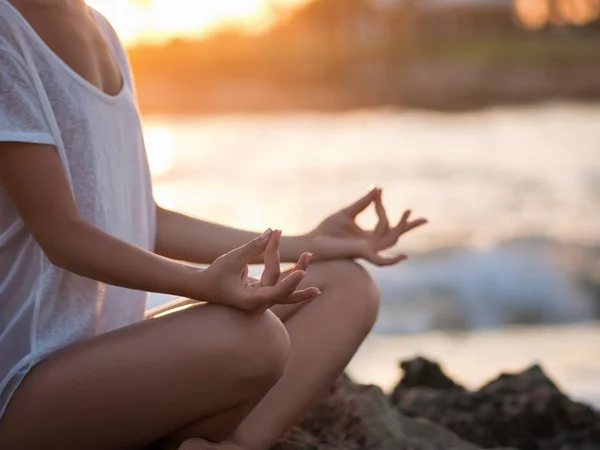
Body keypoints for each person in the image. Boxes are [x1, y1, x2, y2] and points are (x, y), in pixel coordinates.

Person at [0, 1, 427, 449]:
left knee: (343, 284)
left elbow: (148, 217)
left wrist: (308, 244)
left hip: (106, 359)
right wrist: (202, 283)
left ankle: (225, 445)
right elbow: (63, 237)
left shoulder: (103, 29)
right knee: (255, 340)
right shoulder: (8, 32)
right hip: (23, 388)